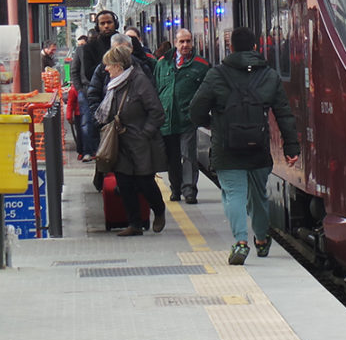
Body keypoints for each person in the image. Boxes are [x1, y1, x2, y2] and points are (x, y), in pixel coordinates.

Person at [190, 26, 299, 265]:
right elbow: (284, 113)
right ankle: (261, 239)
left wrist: (213, 123)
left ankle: (240, 242)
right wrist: (291, 146)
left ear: (230, 47)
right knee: (258, 195)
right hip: (258, 145)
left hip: (226, 147)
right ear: (255, 46)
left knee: (233, 194)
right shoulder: (269, 75)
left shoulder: (216, 74)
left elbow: (195, 109)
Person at [95, 44, 167, 237]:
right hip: (121, 141)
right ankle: (134, 223)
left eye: (109, 65)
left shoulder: (139, 81)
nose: (106, 69)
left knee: (145, 181)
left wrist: (145, 133)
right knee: (124, 182)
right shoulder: (114, 85)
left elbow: (157, 113)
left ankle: (159, 210)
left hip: (140, 142)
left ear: (119, 66)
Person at [155, 28, 210, 203]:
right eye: (182, 41)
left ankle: (189, 191)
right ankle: (175, 189)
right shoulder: (162, 63)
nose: (185, 45)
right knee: (172, 158)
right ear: (175, 42)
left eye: (188, 41)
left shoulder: (201, 65)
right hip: (167, 120)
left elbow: (208, 92)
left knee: (188, 155)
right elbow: (156, 88)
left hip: (187, 119)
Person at [80, 12, 119, 160]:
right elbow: (88, 73)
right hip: (103, 98)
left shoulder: (127, 41)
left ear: (115, 23)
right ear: (97, 26)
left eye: (109, 22)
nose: (106, 26)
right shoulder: (90, 48)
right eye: (102, 23)